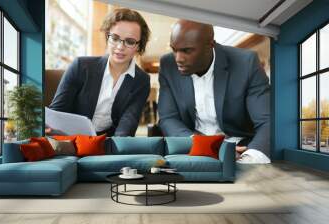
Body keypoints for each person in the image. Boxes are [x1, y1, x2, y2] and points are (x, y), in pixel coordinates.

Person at [158, 20, 270, 164]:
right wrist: (205, 146)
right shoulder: (168, 65)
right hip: (193, 147)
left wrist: (248, 159)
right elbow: (168, 118)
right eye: (174, 49)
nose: (178, 59)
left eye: (187, 50)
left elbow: (267, 121)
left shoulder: (245, 63)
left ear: (210, 45)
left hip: (240, 148)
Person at [49, 8, 151, 137]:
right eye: (115, 38)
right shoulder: (80, 66)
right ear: (107, 37)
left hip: (107, 142)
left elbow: (128, 122)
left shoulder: (141, 80)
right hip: (70, 138)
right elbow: (57, 113)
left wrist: (114, 150)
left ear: (139, 46)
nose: (120, 47)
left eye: (130, 41)